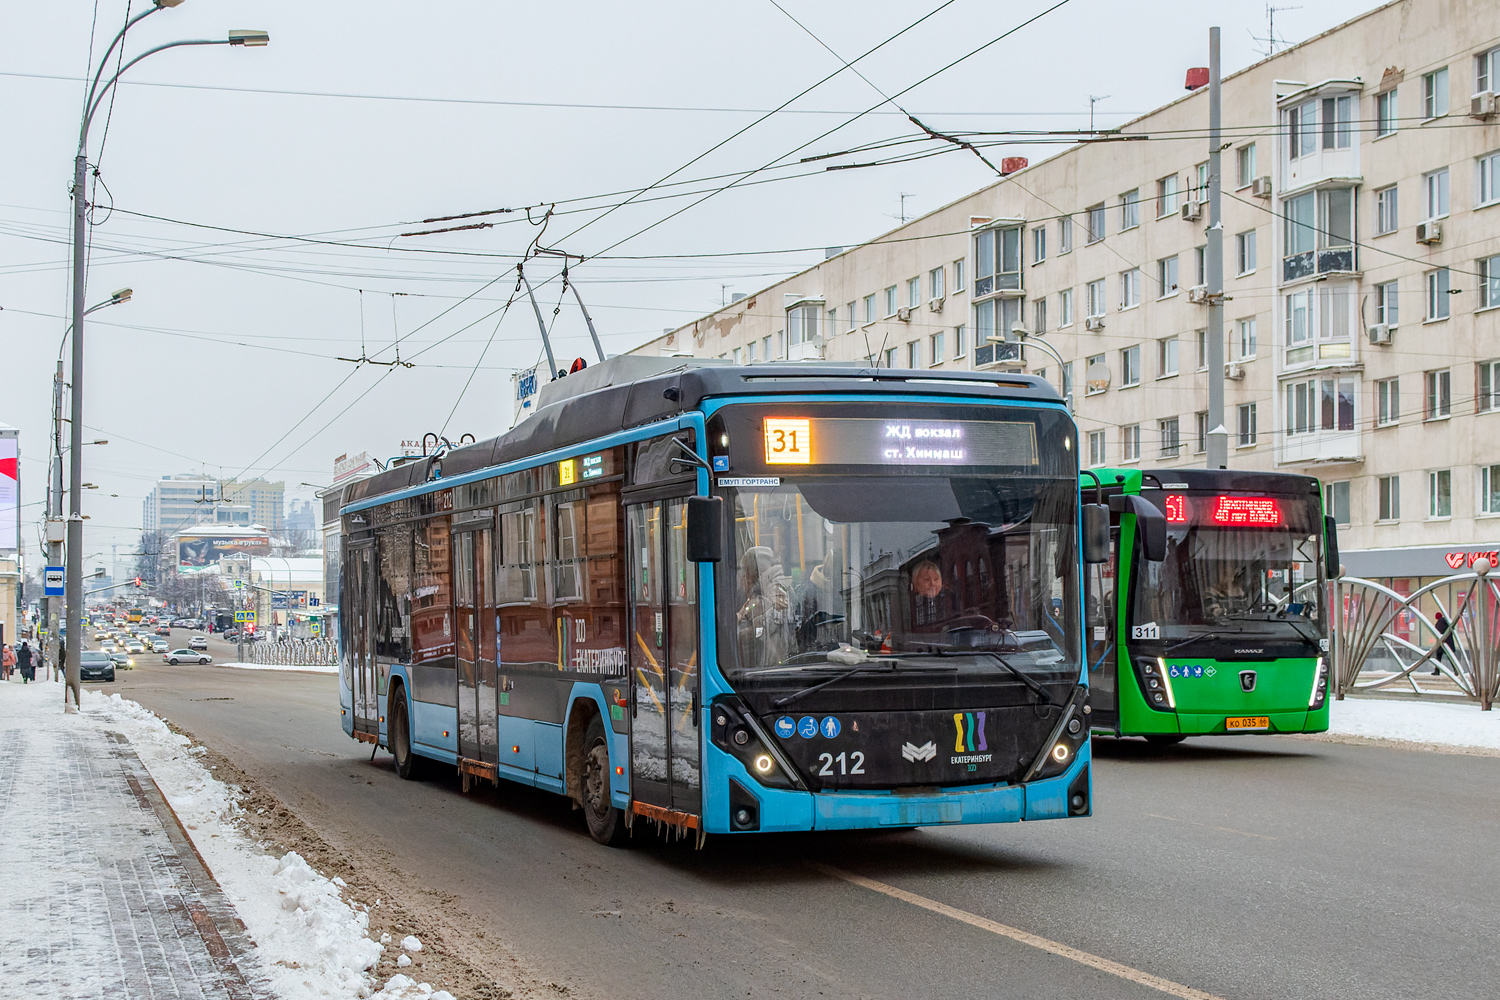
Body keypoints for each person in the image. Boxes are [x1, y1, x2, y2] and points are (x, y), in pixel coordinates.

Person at [1431, 611, 1457, 676]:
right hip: (1447, 642)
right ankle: (1456, 669)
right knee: (1449, 657)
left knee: (1439, 657)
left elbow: (1438, 632)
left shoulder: (1440, 622)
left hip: (1443, 643)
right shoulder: (1446, 622)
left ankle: (1437, 671)